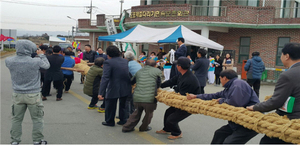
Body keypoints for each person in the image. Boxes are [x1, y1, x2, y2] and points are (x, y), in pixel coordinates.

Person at [247, 43, 300, 144]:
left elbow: (276, 102)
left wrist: (254, 107)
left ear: (287, 56)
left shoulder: (288, 75)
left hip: (291, 122)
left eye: (281, 54)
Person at [187, 69, 260, 144]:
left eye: (220, 78)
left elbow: (236, 103)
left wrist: (221, 100)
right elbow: (215, 95)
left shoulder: (238, 84)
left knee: (228, 143)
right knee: (219, 134)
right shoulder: (230, 86)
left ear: (224, 78)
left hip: (249, 123)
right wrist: (196, 96)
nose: (220, 80)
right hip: (237, 122)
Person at [5, 40, 49, 145]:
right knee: (37, 119)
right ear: (30, 49)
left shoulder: (9, 60)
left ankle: (15, 141)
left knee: (16, 119)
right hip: (33, 94)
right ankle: (37, 140)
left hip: (17, 94)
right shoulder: (36, 61)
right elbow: (47, 66)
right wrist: (42, 55)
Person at [156, 57, 201, 139]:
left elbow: (182, 96)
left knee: (171, 119)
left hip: (189, 103)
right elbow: (172, 81)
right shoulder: (182, 74)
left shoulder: (189, 79)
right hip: (182, 100)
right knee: (168, 112)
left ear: (179, 67)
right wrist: (160, 85)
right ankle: (167, 129)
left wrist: (168, 97)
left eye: (177, 64)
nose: (176, 66)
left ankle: (177, 133)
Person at [122, 59, 161, 132]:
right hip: (150, 98)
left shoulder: (139, 71)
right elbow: (159, 83)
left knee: (136, 112)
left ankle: (127, 127)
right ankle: (144, 127)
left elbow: (132, 81)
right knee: (148, 114)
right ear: (155, 66)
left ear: (144, 64)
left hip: (137, 97)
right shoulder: (157, 72)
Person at [98, 46, 132, 127]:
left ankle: (110, 121)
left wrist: (101, 93)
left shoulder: (108, 62)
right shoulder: (125, 61)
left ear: (108, 54)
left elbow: (105, 78)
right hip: (125, 85)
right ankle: (123, 120)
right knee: (123, 105)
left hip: (113, 86)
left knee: (110, 105)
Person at [124, 51, 142, 119]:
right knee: (133, 100)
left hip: (133, 83)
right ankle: (132, 113)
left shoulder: (127, 64)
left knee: (128, 99)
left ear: (125, 58)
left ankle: (128, 115)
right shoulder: (137, 64)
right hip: (140, 83)